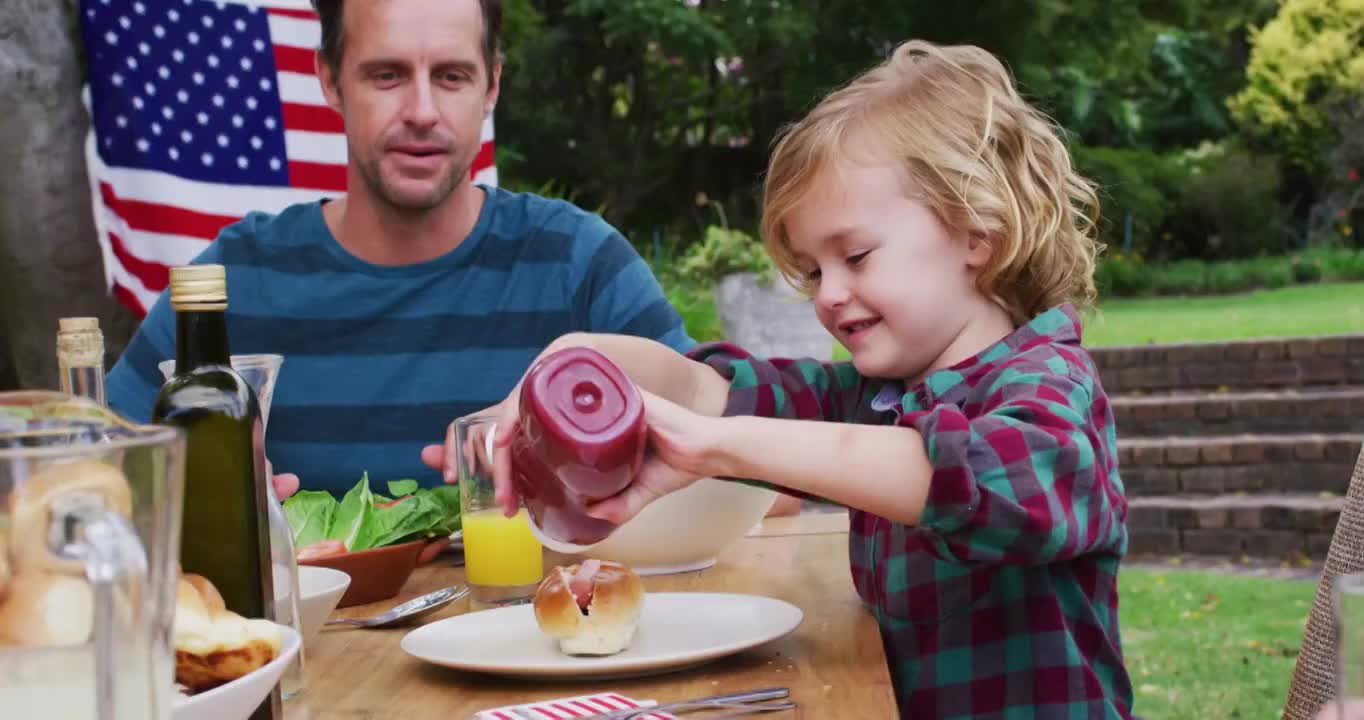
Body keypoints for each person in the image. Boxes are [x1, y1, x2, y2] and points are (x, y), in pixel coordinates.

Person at [458, 40, 1132, 717]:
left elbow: (981, 478)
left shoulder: (1048, 385)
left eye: (856, 256)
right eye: (814, 272)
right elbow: (700, 390)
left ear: (977, 232)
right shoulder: (875, 394)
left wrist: (724, 448)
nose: (829, 295)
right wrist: (572, 358)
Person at [105, 0, 693, 499]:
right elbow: (84, 478)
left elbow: (736, 460)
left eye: (451, 76)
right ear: (330, 80)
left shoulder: (576, 260)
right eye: (386, 75)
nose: (421, 112)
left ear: (491, 85)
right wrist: (188, 494)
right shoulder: (233, 279)